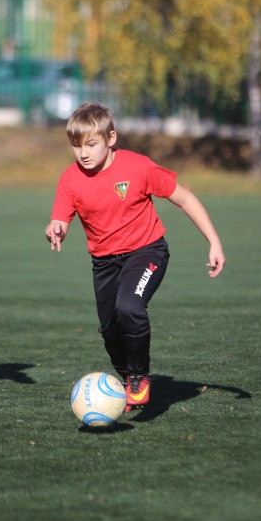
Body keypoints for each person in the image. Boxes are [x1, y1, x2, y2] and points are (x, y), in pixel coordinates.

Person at [44, 102, 226, 411]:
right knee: (110, 331)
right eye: (76, 146)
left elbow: (184, 198)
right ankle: (127, 379)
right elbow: (60, 219)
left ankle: (140, 376)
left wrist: (214, 241)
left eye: (91, 144)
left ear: (111, 138)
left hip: (146, 252)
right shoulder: (70, 179)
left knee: (129, 308)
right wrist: (56, 229)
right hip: (103, 262)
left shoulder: (138, 167)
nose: (83, 153)